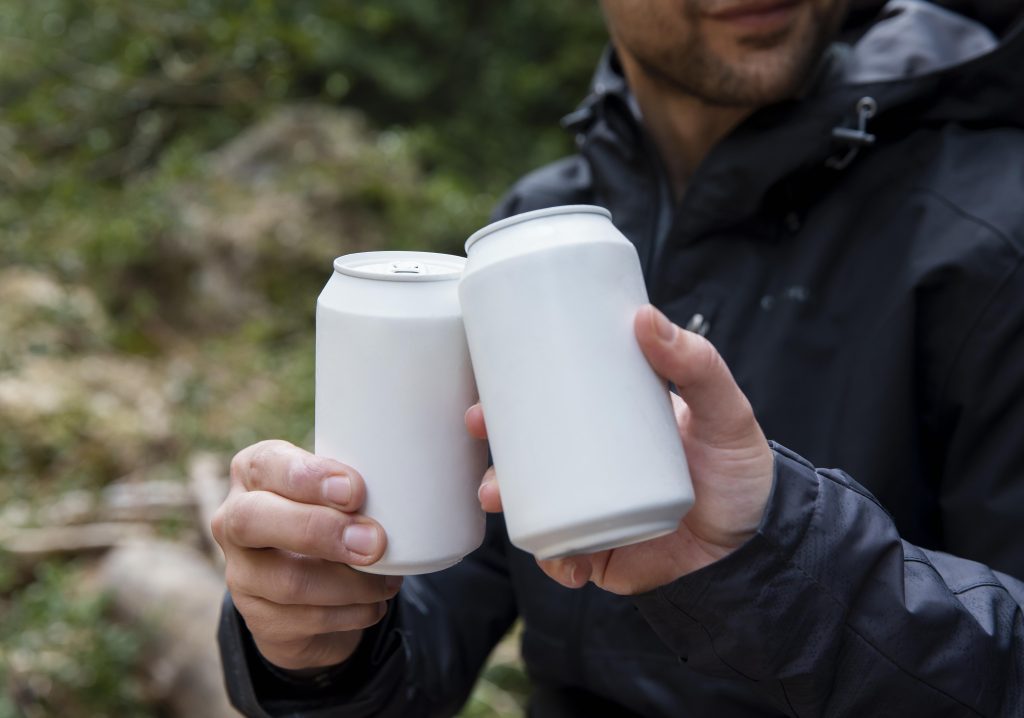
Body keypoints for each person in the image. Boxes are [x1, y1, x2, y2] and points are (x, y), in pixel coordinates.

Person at [214, 0, 1024, 715]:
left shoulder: (995, 233)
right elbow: (430, 633)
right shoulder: (533, 229)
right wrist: (320, 644)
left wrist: (768, 557)